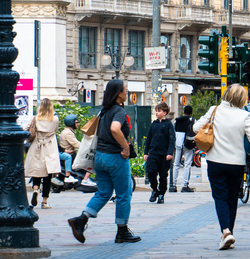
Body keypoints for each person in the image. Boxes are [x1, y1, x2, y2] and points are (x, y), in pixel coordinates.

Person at [68, 80, 140, 244]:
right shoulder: (119, 110)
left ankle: (81, 219)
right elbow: (115, 129)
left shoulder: (104, 110)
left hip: (100, 157)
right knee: (124, 194)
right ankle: (122, 231)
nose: (127, 93)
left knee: (104, 192)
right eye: (125, 90)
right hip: (115, 157)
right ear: (118, 93)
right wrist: (125, 148)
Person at [193, 84, 250, 251]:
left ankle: (226, 232)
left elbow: (195, 128)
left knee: (220, 197)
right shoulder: (245, 115)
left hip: (215, 161)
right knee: (232, 199)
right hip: (236, 164)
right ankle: (228, 232)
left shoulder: (214, 110)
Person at [25, 98, 60, 210]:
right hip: (49, 148)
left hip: (37, 147)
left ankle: (35, 189)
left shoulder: (35, 118)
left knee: (37, 171)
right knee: (47, 175)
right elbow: (55, 131)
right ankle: (44, 201)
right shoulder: (54, 119)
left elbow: (25, 129)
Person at [143, 102, 176, 203]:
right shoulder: (154, 124)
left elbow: (171, 139)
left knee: (163, 175)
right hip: (153, 153)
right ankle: (154, 190)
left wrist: (170, 152)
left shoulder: (168, 124)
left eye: (159, 111)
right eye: (156, 111)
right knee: (151, 172)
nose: (157, 113)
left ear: (164, 113)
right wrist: (146, 152)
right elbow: (148, 139)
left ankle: (161, 194)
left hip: (164, 154)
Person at [171, 104, 197, 193]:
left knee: (176, 164)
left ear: (184, 112)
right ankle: (185, 185)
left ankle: (173, 184)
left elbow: (173, 131)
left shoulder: (177, 121)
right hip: (188, 143)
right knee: (187, 164)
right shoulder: (193, 121)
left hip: (178, 143)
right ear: (191, 112)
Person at [58, 113, 79, 179]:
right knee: (69, 157)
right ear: (71, 123)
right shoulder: (68, 133)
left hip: (67, 152)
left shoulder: (67, 131)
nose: (78, 124)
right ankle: (68, 175)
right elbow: (76, 144)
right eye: (76, 122)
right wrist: (86, 147)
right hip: (68, 153)